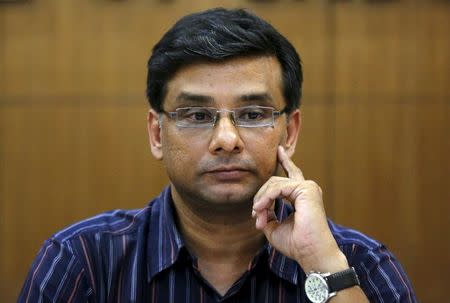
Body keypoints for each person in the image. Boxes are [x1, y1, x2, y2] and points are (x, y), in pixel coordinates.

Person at [19, 8, 417, 303]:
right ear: (157, 133)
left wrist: (325, 268)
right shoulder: (83, 262)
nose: (226, 139)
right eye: (196, 115)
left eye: (252, 114)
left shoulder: (360, 264)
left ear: (290, 131)